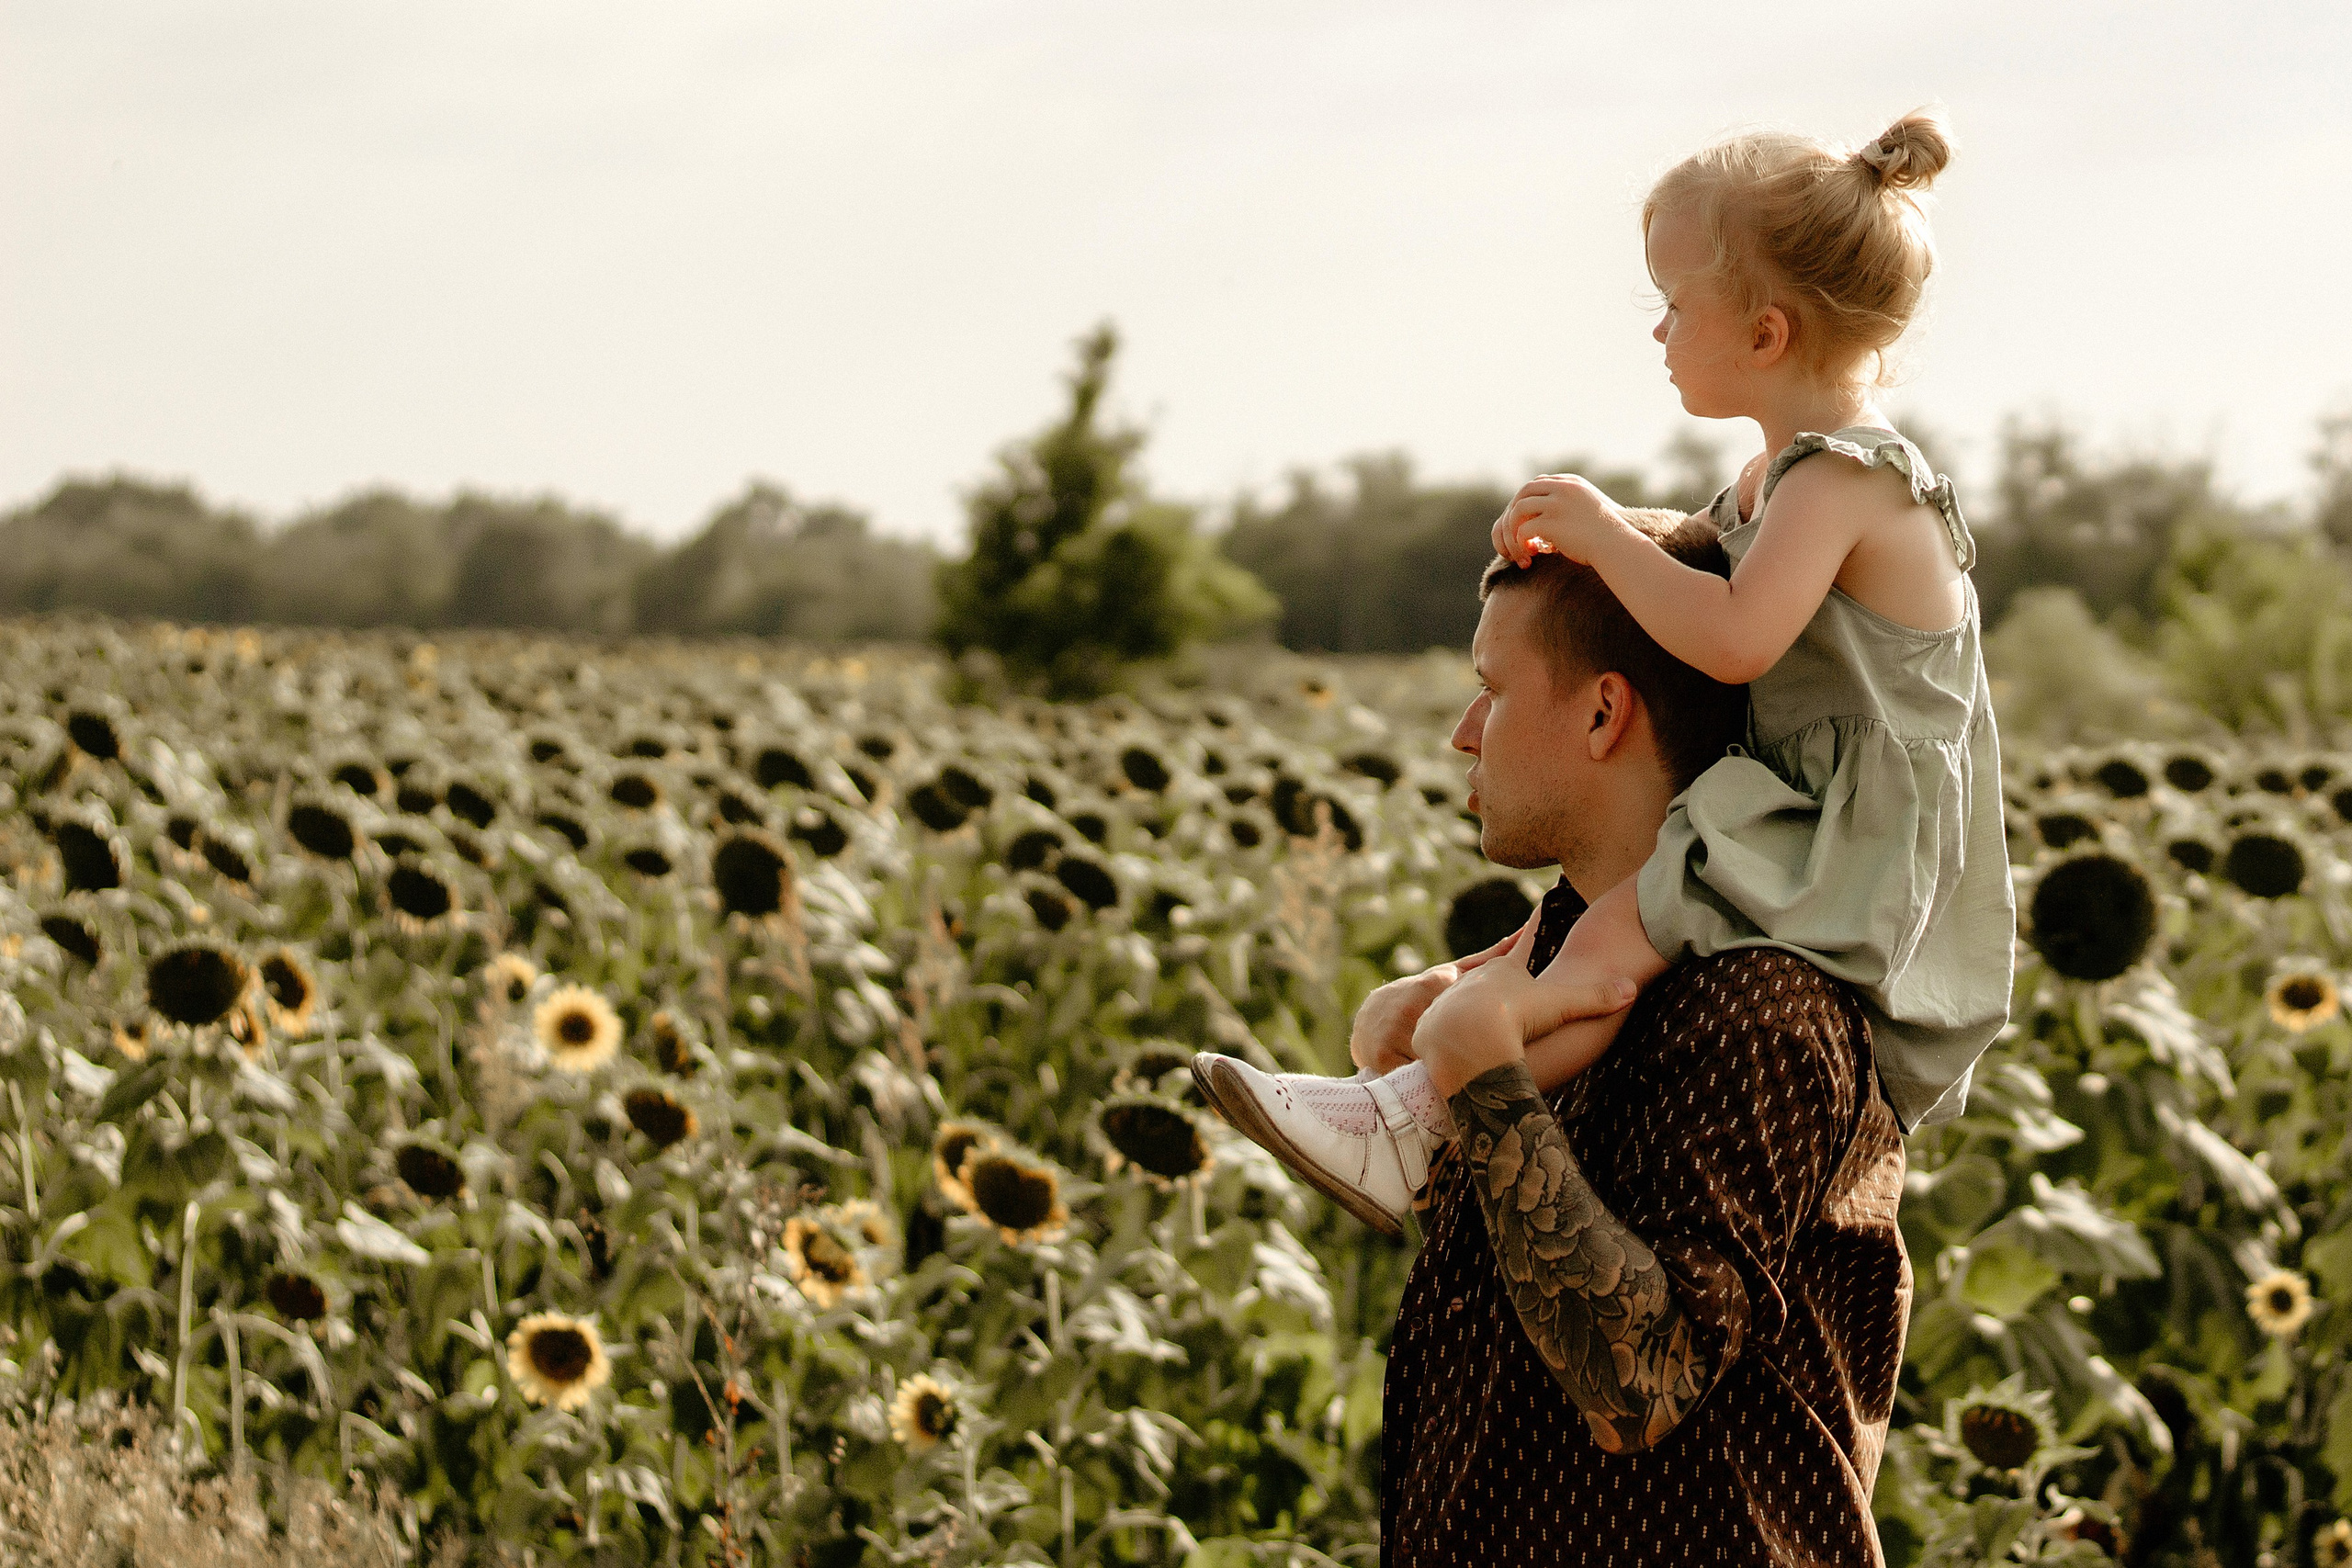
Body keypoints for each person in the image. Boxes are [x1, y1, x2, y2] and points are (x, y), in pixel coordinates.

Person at [1193, 109, 2013, 1234]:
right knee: (1600, 934)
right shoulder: (1778, 475)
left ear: (1766, 334)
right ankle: (1419, 1106)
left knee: (1617, 945)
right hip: (1785, 802)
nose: (1661, 332)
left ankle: (1427, 1116)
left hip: (1851, 832)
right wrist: (1591, 538)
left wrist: (1602, 537)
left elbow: (1733, 637)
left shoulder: (1848, 483)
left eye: (1674, 306)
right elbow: (1701, 570)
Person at [1372, 523, 1909, 1562]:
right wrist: (1405, 1074)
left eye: (1493, 686)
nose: (1463, 732)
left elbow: (1639, 1387)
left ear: (1603, 711)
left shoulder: (1758, 1006)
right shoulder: (1547, 968)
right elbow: (1512, 1296)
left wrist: (1482, 1079)